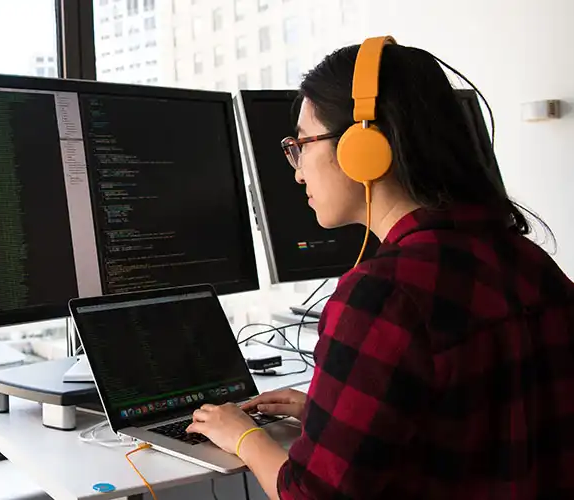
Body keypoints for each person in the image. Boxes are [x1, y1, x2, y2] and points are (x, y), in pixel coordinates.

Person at [186, 38, 574, 499]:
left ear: (363, 148)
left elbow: (308, 496)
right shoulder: (532, 262)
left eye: (301, 145)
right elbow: (481, 428)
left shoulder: (383, 295)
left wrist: (244, 436)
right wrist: (328, 417)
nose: (297, 172)